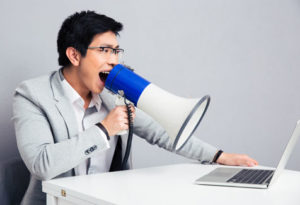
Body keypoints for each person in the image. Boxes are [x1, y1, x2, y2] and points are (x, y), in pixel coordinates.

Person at [12, 10, 258, 205]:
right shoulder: (33, 94)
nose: (114, 60)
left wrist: (220, 156)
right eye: (104, 50)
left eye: (116, 51)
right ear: (75, 56)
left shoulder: (113, 95)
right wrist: (103, 130)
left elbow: (162, 133)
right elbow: (41, 164)